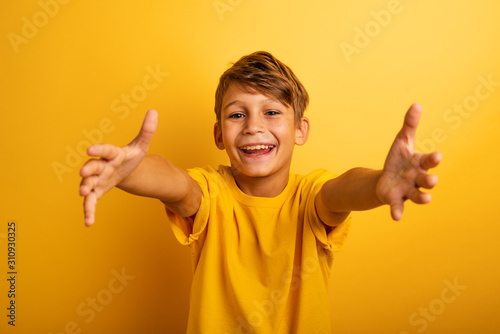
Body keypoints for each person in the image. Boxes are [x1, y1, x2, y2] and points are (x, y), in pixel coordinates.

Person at [79, 51, 441, 333]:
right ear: (219, 135)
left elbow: (343, 191)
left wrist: (378, 185)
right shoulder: (212, 192)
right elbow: (175, 184)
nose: (254, 127)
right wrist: (132, 170)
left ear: (300, 130)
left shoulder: (311, 196)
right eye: (237, 115)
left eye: (271, 112)